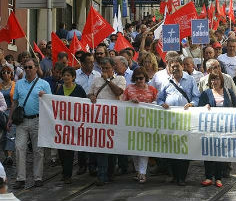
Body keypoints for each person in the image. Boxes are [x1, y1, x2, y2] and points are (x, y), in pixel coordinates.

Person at [8, 58, 51, 189]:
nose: (27, 70)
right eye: (25, 67)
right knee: (19, 148)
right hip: (22, 120)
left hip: (38, 120)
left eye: (30, 67)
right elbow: (14, 103)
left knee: (38, 151)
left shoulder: (44, 84)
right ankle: (20, 178)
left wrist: (45, 96)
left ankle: (38, 177)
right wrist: (10, 119)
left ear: (36, 68)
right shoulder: (19, 83)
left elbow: (51, 103)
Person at [157, 57, 200, 186]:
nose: (175, 68)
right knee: (171, 149)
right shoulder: (166, 82)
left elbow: (196, 97)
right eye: (172, 67)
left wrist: (192, 104)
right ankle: (174, 176)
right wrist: (162, 103)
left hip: (185, 119)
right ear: (169, 68)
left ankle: (182, 177)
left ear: (182, 66)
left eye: (177, 66)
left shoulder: (190, 80)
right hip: (170, 120)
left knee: (183, 148)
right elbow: (159, 98)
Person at [88, 57, 126, 186]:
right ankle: (101, 176)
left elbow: (118, 92)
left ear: (113, 68)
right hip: (99, 119)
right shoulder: (95, 80)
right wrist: (91, 96)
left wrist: (108, 80)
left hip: (114, 119)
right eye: (103, 68)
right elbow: (90, 94)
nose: (104, 70)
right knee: (101, 149)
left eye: (107, 68)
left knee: (112, 148)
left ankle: (110, 174)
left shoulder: (120, 79)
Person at [199, 72, 236, 188]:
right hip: (209, 128)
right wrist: (204, 107)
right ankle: (208, 177)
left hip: (224, 128)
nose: (214, 82)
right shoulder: (206, 93)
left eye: (216, 79)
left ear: (221, 80)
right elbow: (199, 106)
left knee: (220, 153)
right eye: (212, 80)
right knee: (209, 152)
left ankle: (218, 178)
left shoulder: (229, 92)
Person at [122, 67, 158, 184]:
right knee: (134, 149)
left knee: (143, 148)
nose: (139, 81)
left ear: (145, 78)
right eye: (136, 79)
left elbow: (157, 103)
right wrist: (130, 102)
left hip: (148, 123)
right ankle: (138, 171)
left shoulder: (152, 90)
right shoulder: (129, 89)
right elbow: (122, 104)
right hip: (132, 123)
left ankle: (142, 172)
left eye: (141, 78)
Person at [54, 67, 86, 184]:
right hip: (62, 125)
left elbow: (85, 104)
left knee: (69, 150)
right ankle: (64, 171)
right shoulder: (59, 88)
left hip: (74, 125)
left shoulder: (79, 89)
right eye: (64, 75)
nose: (66, 77)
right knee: (61, 150)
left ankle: (67, 175)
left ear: (73, 77)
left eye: (68, 75)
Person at [0, 66, 15, 166]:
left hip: (11, 111)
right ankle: (6, 156)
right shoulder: (0, 86)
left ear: (11, 74)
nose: (6, 74)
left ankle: (9, 156)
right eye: (4, 72)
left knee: (10, 133)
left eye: (8, 72)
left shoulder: (15, 85)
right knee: (3, 136)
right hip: (1, 113)